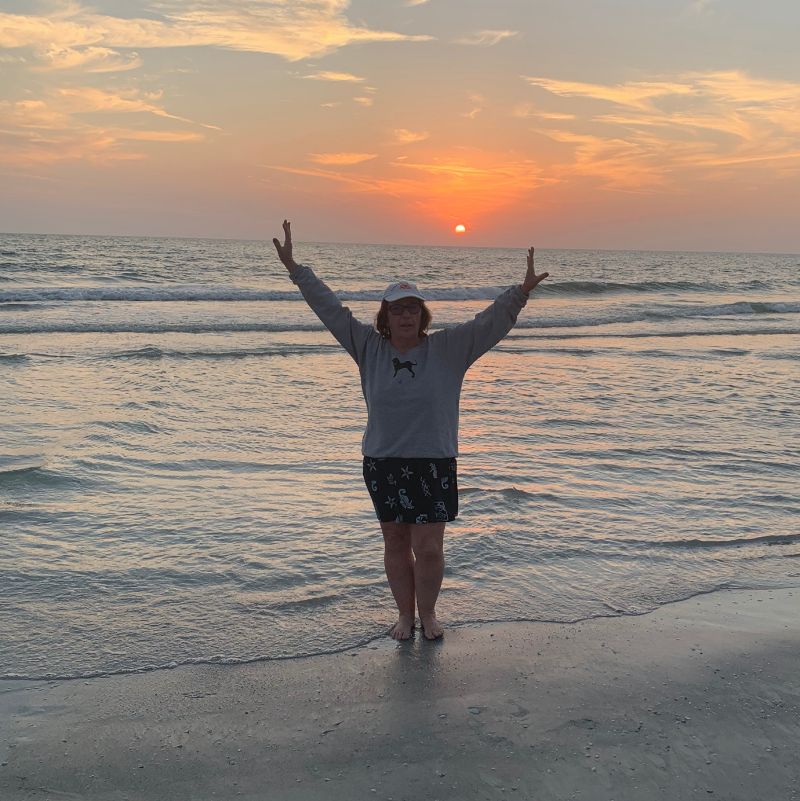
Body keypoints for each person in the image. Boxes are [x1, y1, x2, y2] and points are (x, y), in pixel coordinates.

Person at [272, 220, 549, 641]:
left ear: (423, 314)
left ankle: (430, 614)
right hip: (383, 461)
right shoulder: (368, 347)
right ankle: (405, 615)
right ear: (386, 315)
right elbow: (329, 308)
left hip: (433, 460)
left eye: (413, 307)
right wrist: (295, 269)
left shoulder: (448, 349)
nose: (406, 314)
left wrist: (521, 292)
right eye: (398, 308)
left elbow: (488, 323)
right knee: (396, 543)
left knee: (430, 548)